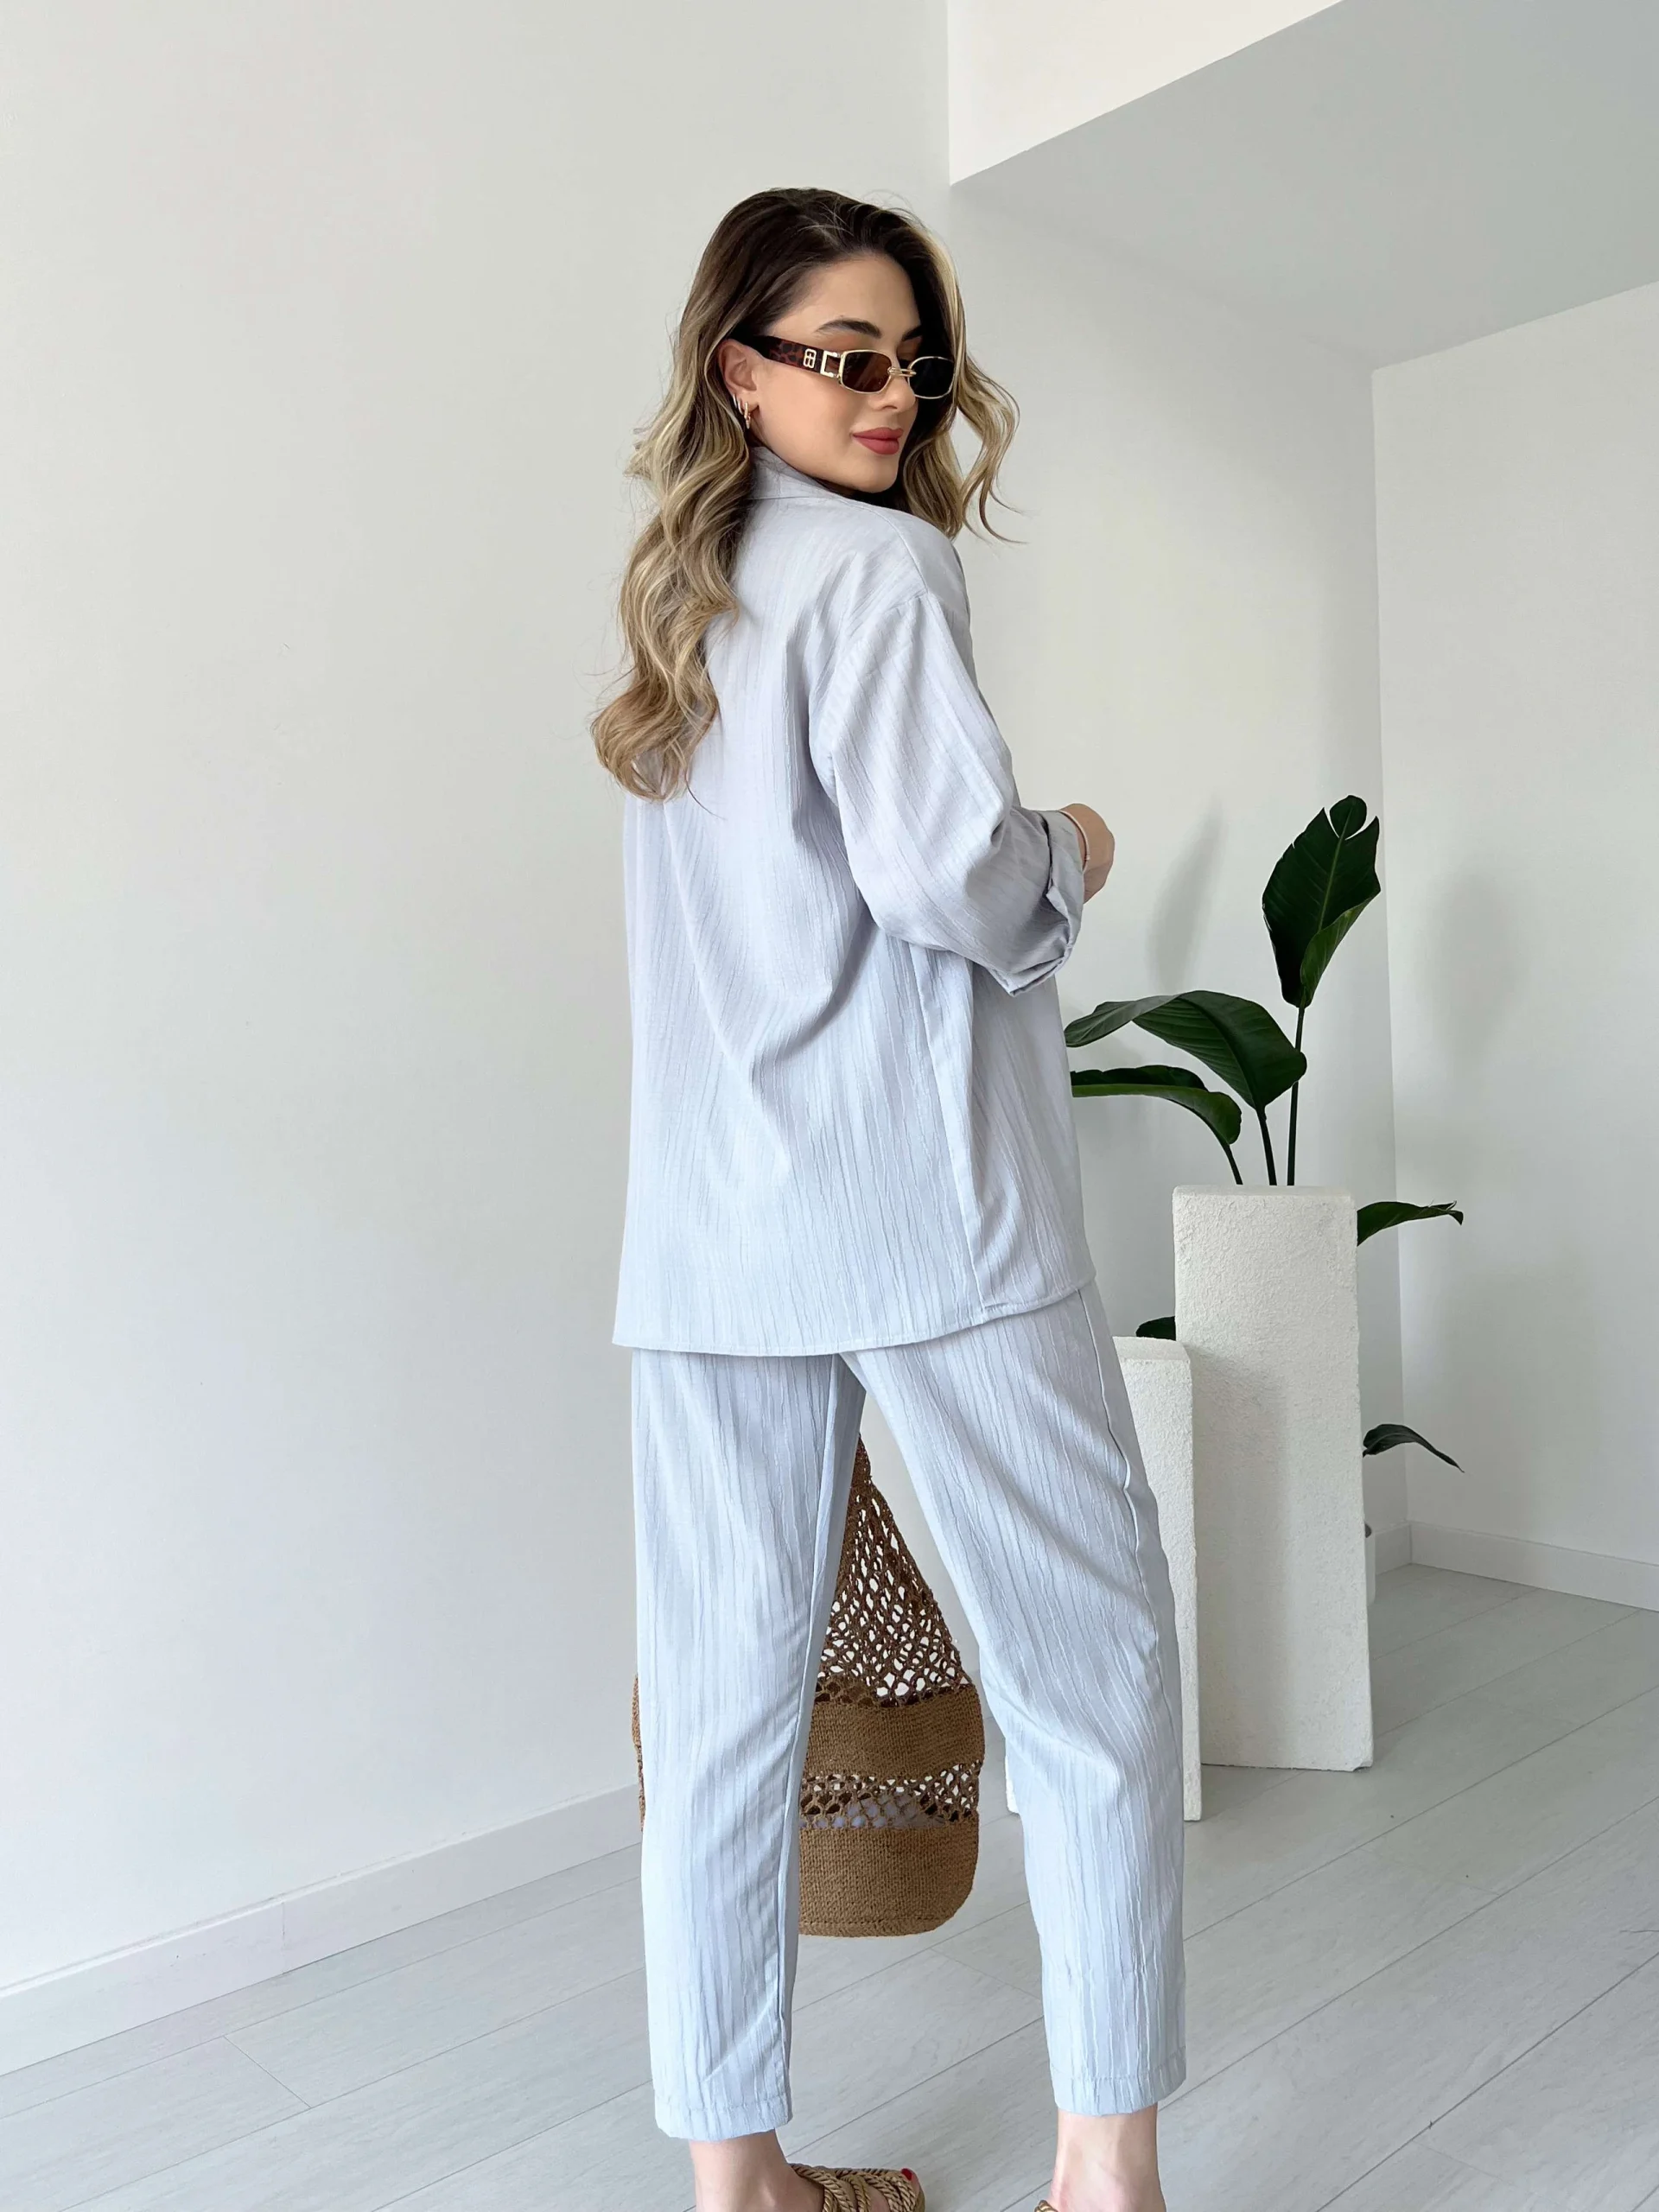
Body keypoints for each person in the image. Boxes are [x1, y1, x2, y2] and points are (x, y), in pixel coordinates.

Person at [593, 187, 1185, 2212]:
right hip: (933, 1208)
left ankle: (740, 2183)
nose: (892, 395)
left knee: (722, 1719)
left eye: (914, 361)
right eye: (845, 356)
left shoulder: (679, 603)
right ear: (739, 367)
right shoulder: (886, 569)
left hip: (711, 1235)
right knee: (1092, 1674)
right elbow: (956, 882)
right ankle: (1106, 2175)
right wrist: (1074, 846)